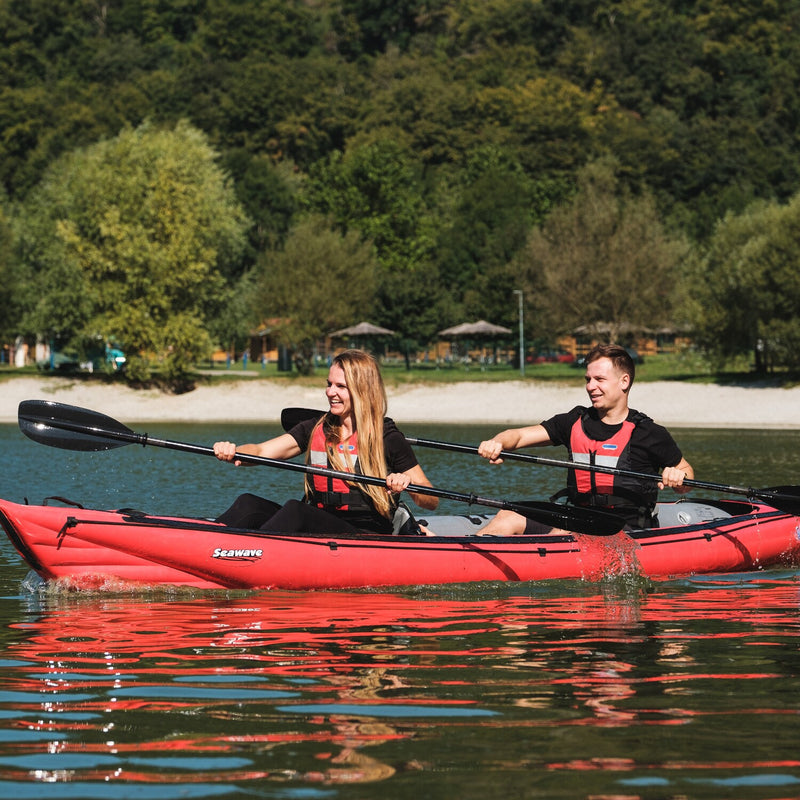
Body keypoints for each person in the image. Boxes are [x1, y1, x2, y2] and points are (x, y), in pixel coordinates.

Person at [213, 349, 438, 535]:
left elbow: (431, 499)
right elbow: (261, 450)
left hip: (364, 535)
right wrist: (234, 451)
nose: (330, 392)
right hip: (319, 522)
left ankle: (252, 555)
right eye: (329, 384)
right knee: (248, 504)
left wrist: (407, 482)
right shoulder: (316, 427)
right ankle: (210, 542)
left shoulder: (387, 437)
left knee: (295, 511)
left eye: (340, 386)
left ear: (362, 390)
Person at [476, 343, 694, 535]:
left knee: (563, 532)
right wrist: (498, 442)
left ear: (624, 381)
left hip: (624, 528)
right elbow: (519, 435)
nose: (590, 386)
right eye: (588, 379)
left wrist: (678, 476)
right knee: (508, 515)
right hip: (578, 516)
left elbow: (686, 474)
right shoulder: (573, 421)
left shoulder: (648, 432)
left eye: (599, 379)